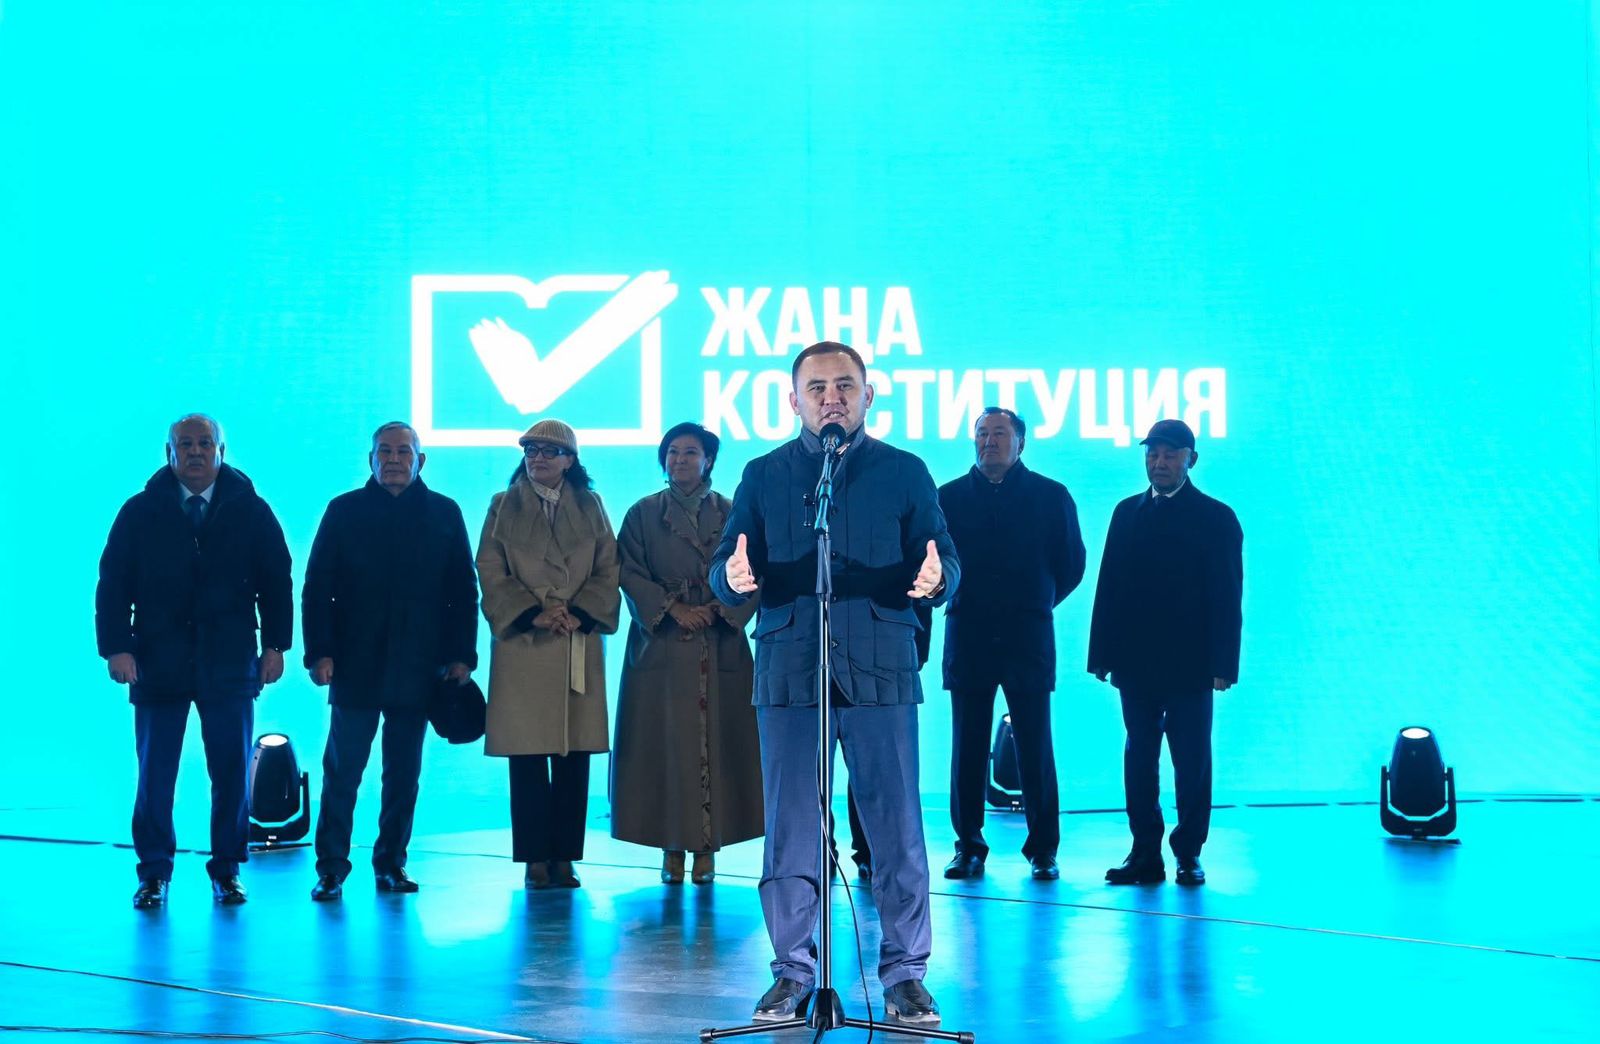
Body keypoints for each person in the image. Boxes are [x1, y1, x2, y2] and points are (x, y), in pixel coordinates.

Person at [711, 341, 960, 1027]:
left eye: (845, 386)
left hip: (881, 668)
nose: (832, 398)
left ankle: (906, 975)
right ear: (794, 400)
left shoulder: (905, 471)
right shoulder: (764, 474)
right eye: (817, 387)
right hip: (791, 671)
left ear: (868, 396)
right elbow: (726, 560)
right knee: (791, 829)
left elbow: (944, 556)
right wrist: (729, 577)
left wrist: (939, 578)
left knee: (896, 827)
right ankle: (794, 972)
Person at [96, 414, 292, 908]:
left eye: (206, 443)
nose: (196, 451)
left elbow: (276, 581)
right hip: (157, 660)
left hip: (229, 661)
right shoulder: (140, 511)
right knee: (155, 775)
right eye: (185, 444)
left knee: (230, 773)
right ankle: (153, 873)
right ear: (169, 453)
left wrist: (275, 645)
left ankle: (227, 869)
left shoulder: (251, 510)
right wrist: (117, 647)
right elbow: (113, 583)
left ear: (221, 451)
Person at [301, 421, 479, 901]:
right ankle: (331, 867)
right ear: (371, 459)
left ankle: (391, 864)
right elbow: (318, 588)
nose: (394, 459)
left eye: (404, 451)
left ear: (421, 460)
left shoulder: (444, 512)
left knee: (403, 775)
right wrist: (319, 652)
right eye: (385, 451)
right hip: (354, 663)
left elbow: (463, 592)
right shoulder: (343, 510)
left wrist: (462, 656)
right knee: (343, 773)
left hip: (420, 666)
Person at [1087, 418, 1242, 887]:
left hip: (1192, 664)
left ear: (1191, 460)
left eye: (1170, 454)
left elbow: (1227, 595)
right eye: (1152, 454)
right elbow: (1109, 586)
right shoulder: (1126, 512)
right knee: (1139, 757)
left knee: (1191, 760)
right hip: (1135, 661)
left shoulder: (1216, 517)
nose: (1159, 462)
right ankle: (1144, 853)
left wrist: (1223, 664)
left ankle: (1189, 852)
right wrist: (1101, 654)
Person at [611, 422, 763, 885]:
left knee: (721, 746)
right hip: (662, 647)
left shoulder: (733, 512)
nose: (680, 459)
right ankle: (671, 849)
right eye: (673, 452)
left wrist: (719, 608)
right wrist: (673, 608)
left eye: (690, 452)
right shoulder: (643, 513)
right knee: (663, 749)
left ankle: (707, 850)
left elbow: (756, 569)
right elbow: (628, 572)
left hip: (719, 643)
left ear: (708, 460)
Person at [938, 407, 1085, 882]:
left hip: (1027, 637)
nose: (989, 441)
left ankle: (1043, 849)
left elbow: (1072, 565)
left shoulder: (1051, 496)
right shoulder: (947, 498)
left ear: (1021, 442)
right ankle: (968, 846)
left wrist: (1036, 602)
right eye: (981, 433)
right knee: (967, 746)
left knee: (1035, 746)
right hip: (970, 636)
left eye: (999, 433)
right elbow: (933, 564)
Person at [476, 419, 620, 890]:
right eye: (531, 450)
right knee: (527, 755)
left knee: (575, 756)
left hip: (576, 639)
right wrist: (532, 613)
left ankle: (565, 856)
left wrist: (579, 611)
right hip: (525, 643)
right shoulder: (503, 504)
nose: (537, 458)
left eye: (548, 451)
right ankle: (534, 858)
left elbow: (608, 567)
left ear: (570, 460)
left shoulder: (592, 505)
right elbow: (490, 568)